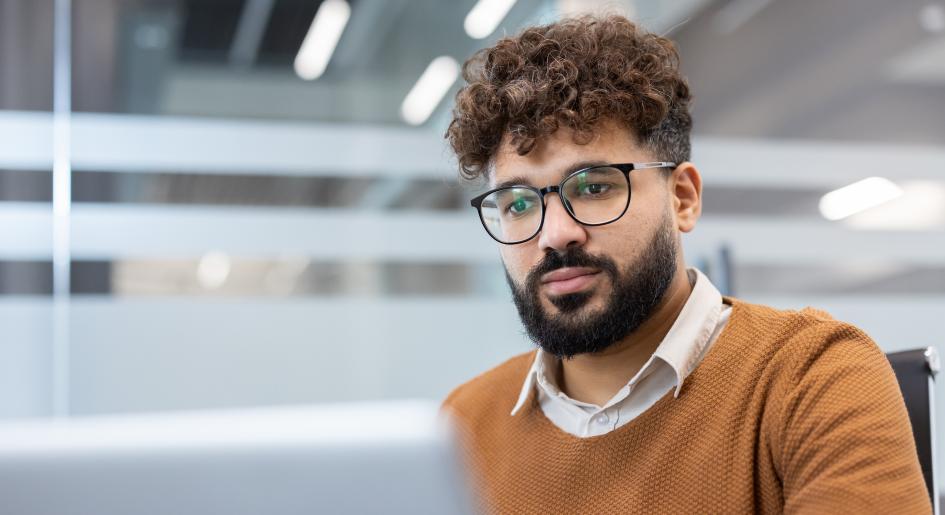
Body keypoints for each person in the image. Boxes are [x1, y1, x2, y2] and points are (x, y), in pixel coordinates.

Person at [440, 14, 930, 514]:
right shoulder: (460, 429)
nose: (555, 233)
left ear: (683, 198)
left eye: (593, 187)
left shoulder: (812, 377)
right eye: (519, 203)